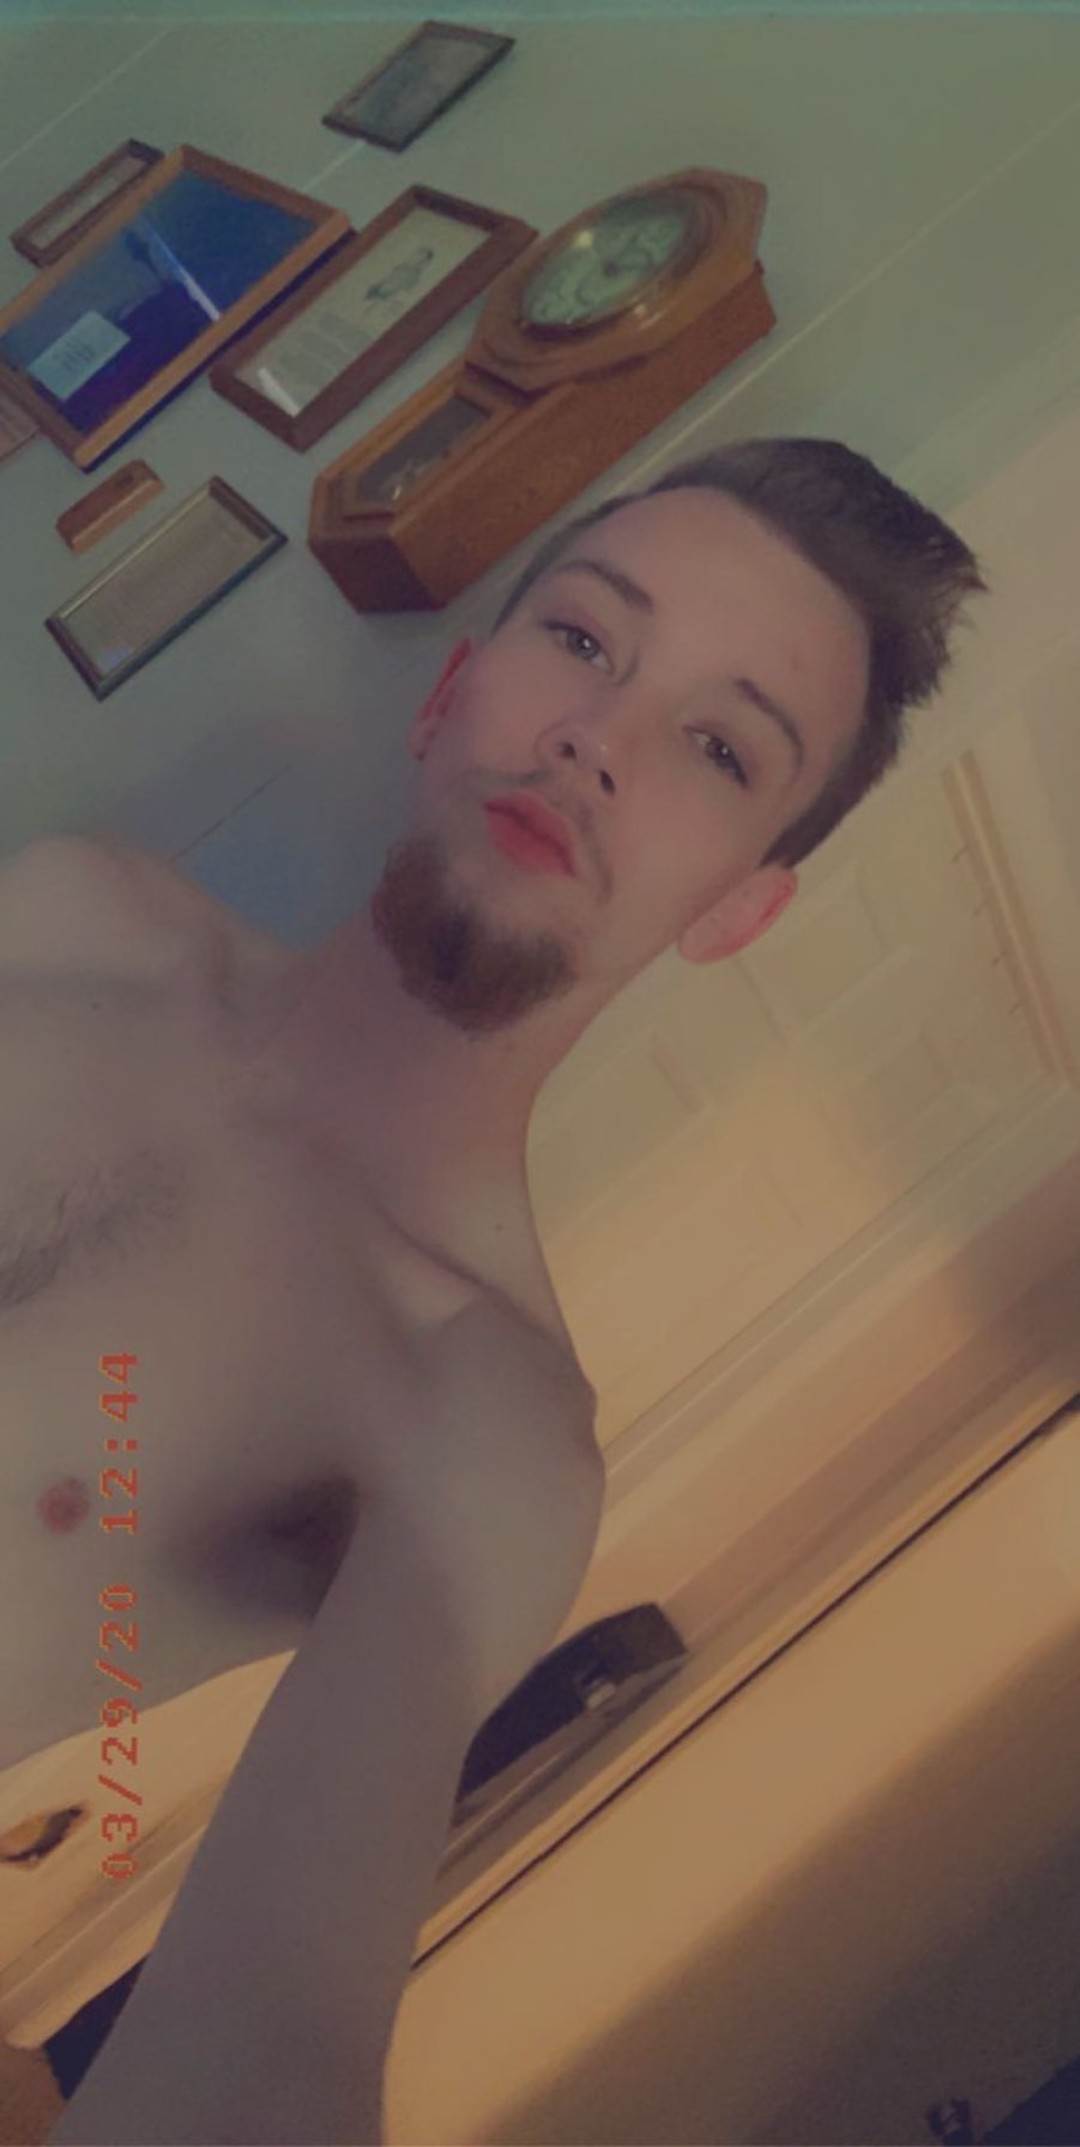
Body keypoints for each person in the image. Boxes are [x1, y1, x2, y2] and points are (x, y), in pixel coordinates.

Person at [18, 435, 983, 2142]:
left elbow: (274, 2041)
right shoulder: (64, 914)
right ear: (450, 691)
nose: (599, 738)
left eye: (718, 745)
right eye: (588, 640)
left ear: (740, 911)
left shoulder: (481, 1424)